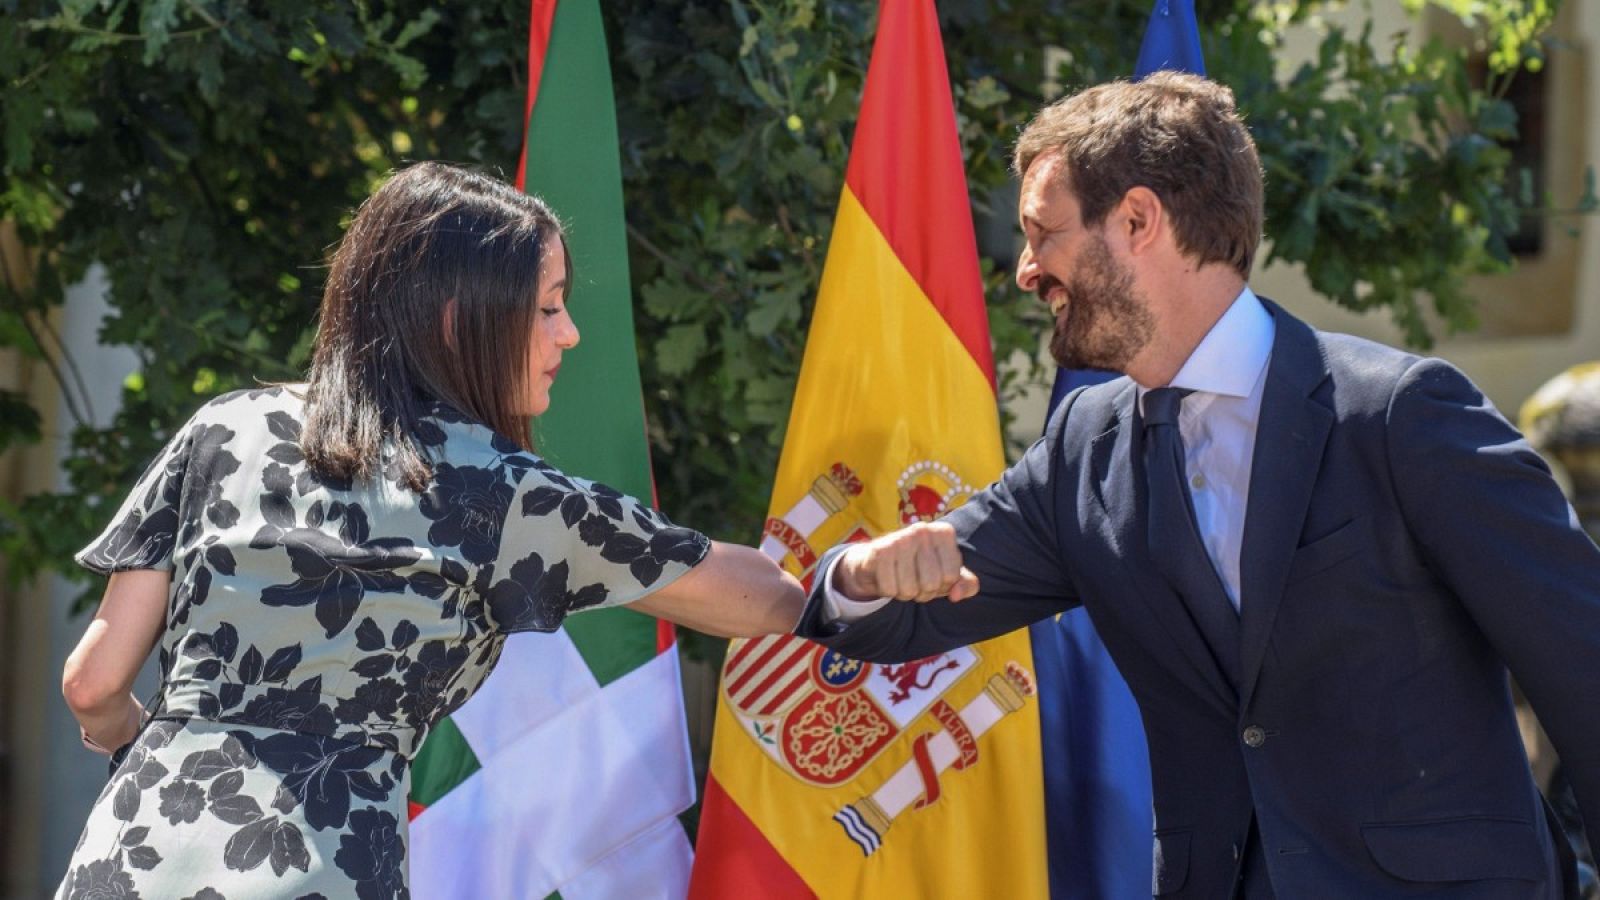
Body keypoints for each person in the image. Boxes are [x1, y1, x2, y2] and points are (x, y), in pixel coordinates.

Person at [796, 72, 1600, 898]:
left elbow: (1585, 662)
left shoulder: (1401, 414)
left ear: (1139, 219)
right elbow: (899, 606)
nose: (1026, 270)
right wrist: (855, 576)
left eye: (1043, 234)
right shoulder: (1084, 448)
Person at [57, 162, 805, 898]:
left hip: (125, 856)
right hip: (320, 873)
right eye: (547, 308)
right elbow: (760, 597)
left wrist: (147, 745)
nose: (569, 334)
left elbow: (92, 685)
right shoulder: (504, 494)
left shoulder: (222, 430)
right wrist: (866, 578)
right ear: (457, 316)